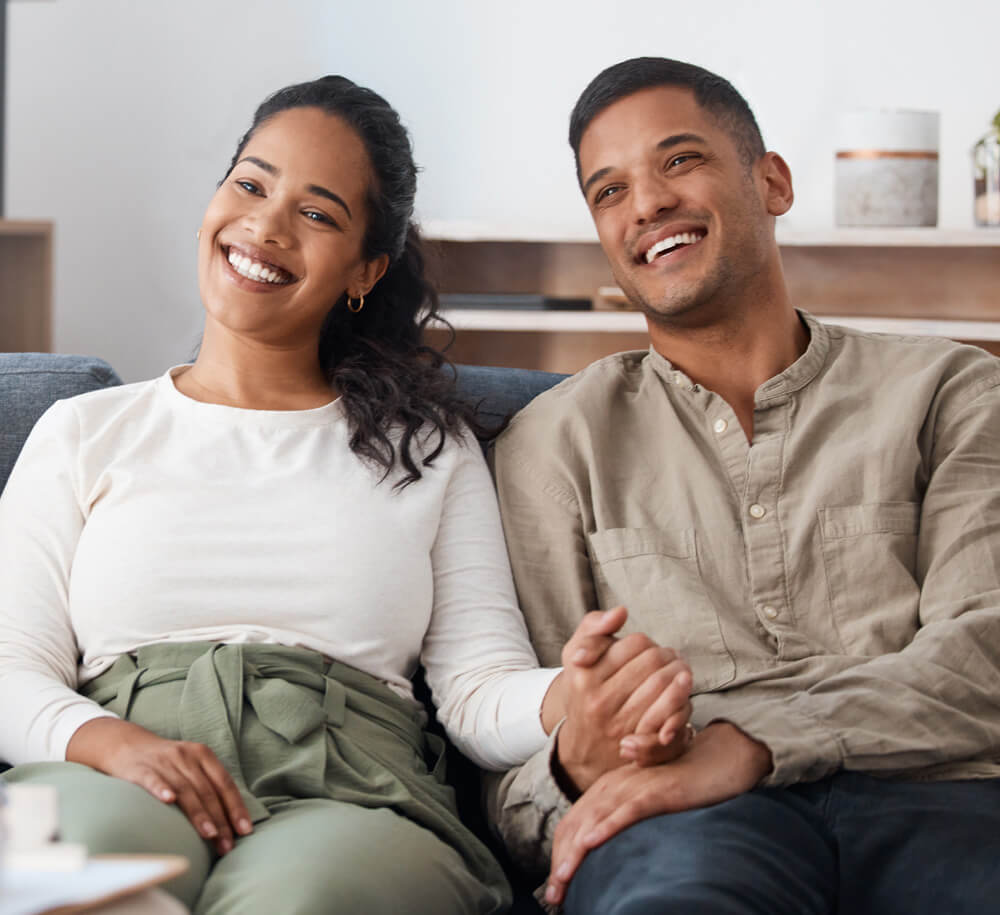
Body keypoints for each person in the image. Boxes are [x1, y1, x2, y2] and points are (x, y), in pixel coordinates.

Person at [0, 76, 694, 914]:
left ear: (366, 268)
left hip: (353, 791)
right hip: (116, 762)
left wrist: (571, 700)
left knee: (304, 899)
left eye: (318, 213)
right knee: (70, 873)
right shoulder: (85, 429)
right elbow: (11, 668)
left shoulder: (428, 446)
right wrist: (108, 741)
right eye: (251, 184)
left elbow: (474, 689)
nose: (265, 224)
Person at [488, 57, 1000, 913]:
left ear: (772, 182)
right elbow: (520, 754)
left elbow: (983, 657)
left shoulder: (950, 391)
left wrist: (749, 740)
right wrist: (579, 763)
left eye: (678, 161)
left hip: (946, 792)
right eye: (608, 191)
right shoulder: (552, 444)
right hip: (686, 825)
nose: (646, 203)